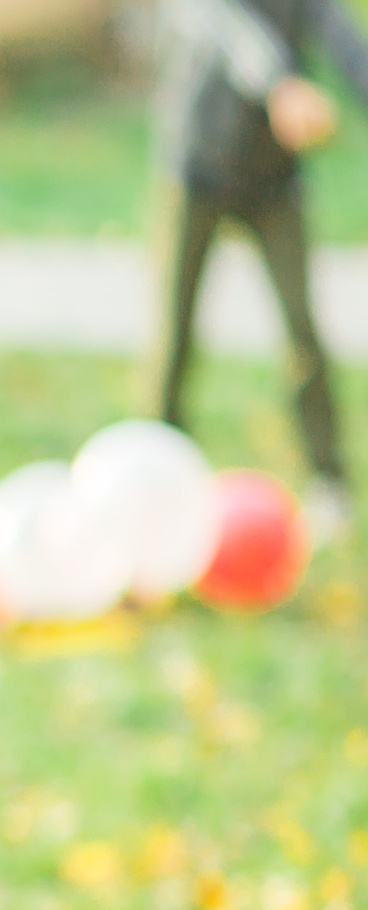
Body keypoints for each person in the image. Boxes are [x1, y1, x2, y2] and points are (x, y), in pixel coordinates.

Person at [159, 0, 368, 537]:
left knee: (303, 332)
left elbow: (346, 45)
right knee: (175, 336)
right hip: (198, 169)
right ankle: (157, 473)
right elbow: (227, 27)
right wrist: (282, 83)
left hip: (275, 184)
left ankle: (329, 483)